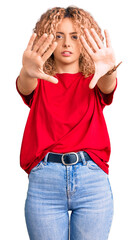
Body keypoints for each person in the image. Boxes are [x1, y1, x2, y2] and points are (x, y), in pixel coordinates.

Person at [16, 6, 121, 240]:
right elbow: (24, 85)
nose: (66, 44)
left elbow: (107, 85)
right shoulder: (39, 80)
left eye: (75, 36)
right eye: (58, 36)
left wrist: (108, 70)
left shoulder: (95, 80)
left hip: (91, 179)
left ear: (85, 40)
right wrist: (28, 71)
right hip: (45, 182)